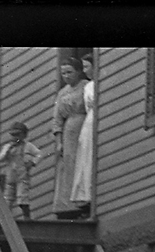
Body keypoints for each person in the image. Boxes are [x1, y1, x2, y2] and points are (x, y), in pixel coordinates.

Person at [50, 58, 89, 217]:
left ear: (78, 72)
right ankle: (68, 205)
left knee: (82, 161)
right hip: (68, 130)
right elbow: (57, 119)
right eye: (63, 73)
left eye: (69, 72)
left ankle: (83, 200)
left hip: (84, 124)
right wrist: (59, 141)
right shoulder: (62, 92)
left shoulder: (86, 86)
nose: (66, 76)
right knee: (68, 163)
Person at [0, 122, 42, 219]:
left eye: (18, 135)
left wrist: (32, 162)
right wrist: (7, 151)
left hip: (22, 174)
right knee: (8, 197)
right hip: (10, 175)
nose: (15, 137)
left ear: (24, 135)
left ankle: (26, 216)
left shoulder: (28, 146)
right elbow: (0, 158)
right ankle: (6, 218)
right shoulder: (8, 147)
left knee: (22, 196)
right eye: (13, 135)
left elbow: (39, 154)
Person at [70, 54, 96, 218]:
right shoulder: (88, 86)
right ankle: (85, 197)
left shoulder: (100, 84)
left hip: (97, 119)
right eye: (84, 67)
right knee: (85, 157)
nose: (85, 71)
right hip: (90, 120)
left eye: (87, 67)